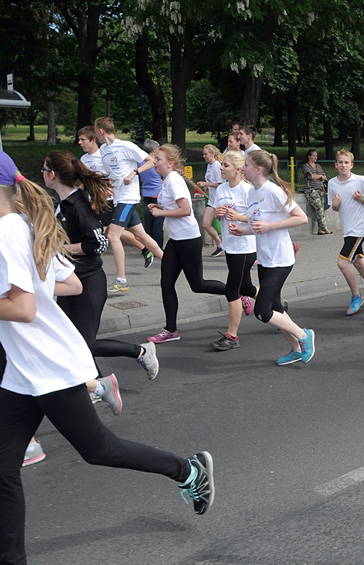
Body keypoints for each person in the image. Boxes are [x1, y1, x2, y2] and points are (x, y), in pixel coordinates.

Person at [0, 151, 215, 565]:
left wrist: (28, 294)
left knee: (99, 449)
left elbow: (23, 308)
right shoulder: (25, 224)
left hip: (50, 367)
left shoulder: (8, 229)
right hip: (24, 370)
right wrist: (34, 287)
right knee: (3, 467)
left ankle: (187, 470)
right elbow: (68, 283)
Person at [42, 151, 159, 400]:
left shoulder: (77, 205)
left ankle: (140, 352)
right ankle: (96, 386)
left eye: (44, 169)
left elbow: (97, 244)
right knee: (69, 338)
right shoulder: (63, 204)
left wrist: (60, 249)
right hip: (70, 280)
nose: (42, 174)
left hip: (89, 282)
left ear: (52, 175)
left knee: (85, 343)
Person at [228, 149, 316, 366]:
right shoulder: (252, 192)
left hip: (281, 259)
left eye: (246, 165)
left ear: (259, 169)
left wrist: (270, 226)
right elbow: (257, 225)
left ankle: (304, 335)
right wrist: (244, 231)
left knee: (262, 311)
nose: (242, 168)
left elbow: (301, 218)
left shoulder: (274, 191)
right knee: (276, 308)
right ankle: (296, 349)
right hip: (265, 259)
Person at [146, 145, 227, 344]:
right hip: (176, 240)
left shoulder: (173, 180)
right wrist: (159, 205)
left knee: (198, 285)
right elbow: (174, 205)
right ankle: (170, 330)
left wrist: (160, 212)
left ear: (170, 163)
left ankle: (238, 293)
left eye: (158, 159)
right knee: (166, 283)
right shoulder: (168, 179)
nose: (155, 162)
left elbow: (185, 210)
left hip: (188, 240)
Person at [94, 117, 164, 293]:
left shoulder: (126, 146)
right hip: (117, 198)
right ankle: (172, 263)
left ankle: (121, 281)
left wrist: (134, 173)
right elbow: (110, 173)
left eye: (96, 131)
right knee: (141, 235)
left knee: (113, 235)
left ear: (101, 131)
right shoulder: (103, 150)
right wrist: (106, 185)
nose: (96, 135)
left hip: (128, 198)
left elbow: (151, 161)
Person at [327, 149, 364, 315]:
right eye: (340, 162)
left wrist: (362, 199)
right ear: (336, 165)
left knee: (342, 263)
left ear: (352, 165)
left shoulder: (360, 180)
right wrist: (336, 204)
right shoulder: (332, 183)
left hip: (358, 229)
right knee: (359, 262)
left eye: (346, 162)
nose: (343, 165)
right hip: (347, 229)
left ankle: (356, 296)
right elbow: (334, 207)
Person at [210, 151, 258, 351]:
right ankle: (274, 303)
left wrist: (238, 216)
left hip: (245, 246)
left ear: (239, 169)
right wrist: (218, 212)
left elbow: (257, 218)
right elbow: (217, 214)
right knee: (246, 287)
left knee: (232, 290)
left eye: (226, 165)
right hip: (230, 245)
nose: (221, 168)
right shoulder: (221, 188)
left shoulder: (248, 190)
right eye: (222, 164)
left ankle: (232, 336)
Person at [197, 144, 225, 256]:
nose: (204, 156)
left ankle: (226, 244)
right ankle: (220, 244)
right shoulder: (209, 165)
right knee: (205, 224)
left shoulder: (217, 165)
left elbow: (220, 184)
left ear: (212, 153)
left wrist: (206, 184)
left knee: (225, 225)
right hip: (211, 200)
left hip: (218, 200)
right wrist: (206, 188)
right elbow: (210, 182)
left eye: (206, 154)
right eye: (203, 154)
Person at [139, 139, 165, 249]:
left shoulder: (140, 163)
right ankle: (158, 247)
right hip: (157, 194)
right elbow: (163, 177)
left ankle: (148, 247)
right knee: (158, 223)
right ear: (154, 150)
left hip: (146, 194)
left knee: (148, 222)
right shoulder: (156, 163)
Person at [302, 149, 332, 235]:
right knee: (319, 207)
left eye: (316, 156)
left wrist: (320, 177)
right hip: (311, 190)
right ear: (309, 156)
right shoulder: (306, 166)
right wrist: (320, 176)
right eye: (314, 155)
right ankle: (325, 228)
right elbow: (311, 176)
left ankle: (320, 230)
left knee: (321, 208)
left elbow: (324, 177)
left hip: (320, 190)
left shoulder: (318, 166)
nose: (316, 157)